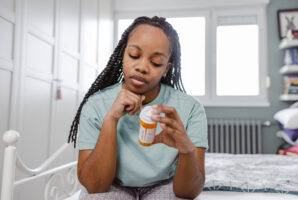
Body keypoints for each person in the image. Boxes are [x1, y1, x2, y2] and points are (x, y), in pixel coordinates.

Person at [68, 16, 208, 200]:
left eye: (156, 62)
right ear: (122, 54)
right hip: (113, 185)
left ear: (166, 68)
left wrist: (186, 150)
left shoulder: (191, 109)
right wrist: (111, 120)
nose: (142, 67)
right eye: (134, 55)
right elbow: (95, 187)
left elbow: (187, 192)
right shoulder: (96, 105)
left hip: (163, 184)